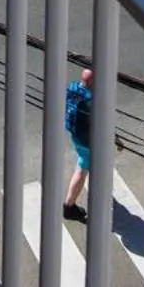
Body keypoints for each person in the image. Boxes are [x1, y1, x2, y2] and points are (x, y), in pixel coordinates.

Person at [62, 68, 94, 220]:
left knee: (85, 162)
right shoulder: (92, 99)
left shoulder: (73, 87)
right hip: (88, 139)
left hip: (75, 134)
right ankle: (69, 206)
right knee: (82, 168)